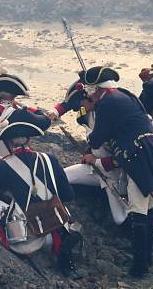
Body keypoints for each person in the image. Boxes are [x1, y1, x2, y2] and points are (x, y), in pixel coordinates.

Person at [81, 66, 153, 278]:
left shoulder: (106, 103)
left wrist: (90, 148)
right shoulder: (125, 95)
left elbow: (98, 136)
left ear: (97, 89)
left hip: (140, 156)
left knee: (138, 210)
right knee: (147, 209)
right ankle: (146, 259)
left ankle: (140, 267)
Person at [0, 122, 82, 277]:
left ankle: (5, 244)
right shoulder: (50, 159)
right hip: (56, 230)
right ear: (28, 140)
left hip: (27, 237)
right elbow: (68, 195)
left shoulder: (5, 165)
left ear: (10, 143)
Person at [54, 79, 130, 226]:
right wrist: (89, 154)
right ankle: (96, 198)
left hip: (114, 175)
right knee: (62, 178)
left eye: (83, 103)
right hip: (94, 169)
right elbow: (69, 103)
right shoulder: (88, 115)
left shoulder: (111, 117)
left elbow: (121, 156)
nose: (81, 108)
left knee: (120, 218)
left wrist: (97, 160)